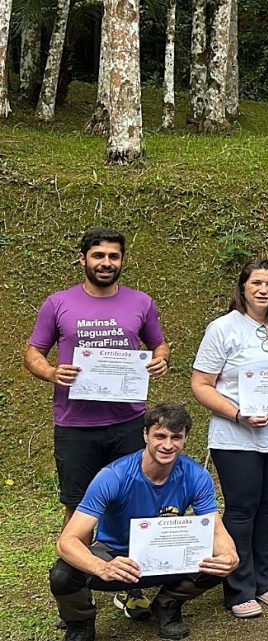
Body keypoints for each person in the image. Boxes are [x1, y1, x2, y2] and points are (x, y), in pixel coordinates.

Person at [25, 227, 171, 621]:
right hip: (75, 426)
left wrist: (160, 359)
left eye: (113, 256)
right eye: (98, 256)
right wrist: (52, 372)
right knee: (77, 507)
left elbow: (159, 345)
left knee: (133, 503)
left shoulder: (140, 302)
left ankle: (132, 589)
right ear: (83, 259)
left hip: (128, 422)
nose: (106, 263)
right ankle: (75, 588)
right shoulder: (58, 303)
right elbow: (32, 353)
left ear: (122, 260)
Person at [49, 403, 238, 641]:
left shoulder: (196, 476)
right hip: (116, 555)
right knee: (63, 573)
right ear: (145, 434)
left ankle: (167, 604)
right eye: (160, 436)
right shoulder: (113, 476)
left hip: (165, 554)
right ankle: (81, 622)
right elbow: (67, 541)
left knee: (221, 560)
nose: (168, 445)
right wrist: (102, 568)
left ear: (185, 439)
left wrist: (229, 555)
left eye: (176, 437)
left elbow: (216, 531)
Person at [191, 258, 268, 618]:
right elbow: (201, 384)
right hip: (236, 437)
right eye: (257, 283)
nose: (264, 290)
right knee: (243, 510)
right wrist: (238, 414)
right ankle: (239, 586)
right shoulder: (223, 328)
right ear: (243, 287)